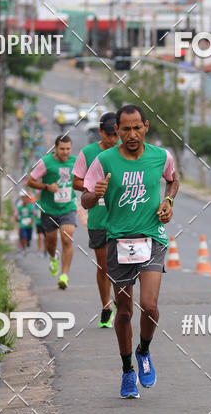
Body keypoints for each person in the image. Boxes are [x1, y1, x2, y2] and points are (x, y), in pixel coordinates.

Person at [82, 104, 179, 398]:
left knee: (149, 306)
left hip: (152, 238)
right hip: (119, 242)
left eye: (137, 128)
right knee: (124, 310)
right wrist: (94, 195)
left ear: (146, 127)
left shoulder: (161, 156)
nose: (132, 134)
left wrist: (168, 202)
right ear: (117, 131)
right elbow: (85, 198)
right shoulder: (104, 160)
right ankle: (127, 370)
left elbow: (173, 180)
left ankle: (144, 350)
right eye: (126, 129)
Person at [72, 112, 119, 328]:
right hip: (98, 219)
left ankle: (121, 300)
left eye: (116, 134)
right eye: (109, 134)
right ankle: (106, 306)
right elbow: (76, 181)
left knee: (123, 265)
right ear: (100, 132)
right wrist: (94, 187)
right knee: (104, 266)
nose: (113, 139)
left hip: (122, 218)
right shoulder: (88, 153)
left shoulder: (125, 151)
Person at [27, 134, 77, 289]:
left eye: (68, 149)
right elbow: (30, 181)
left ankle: (64, 276)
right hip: (49, 209)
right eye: (62, 149)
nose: (65, 152)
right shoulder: (45, 162)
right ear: (55, 148)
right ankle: (53, 257)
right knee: (51, 242)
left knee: (67, 239)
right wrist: (47, 187)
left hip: (68, 207)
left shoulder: (75, 162)